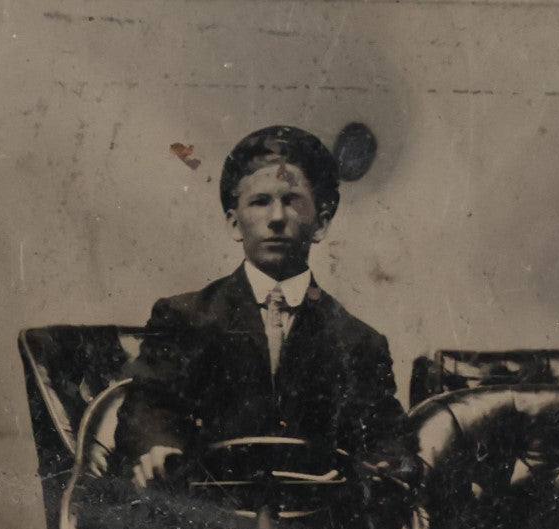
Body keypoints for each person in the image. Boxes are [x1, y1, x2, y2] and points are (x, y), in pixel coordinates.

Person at [114, 124, 406, 485]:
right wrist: (160, 448)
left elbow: (384, 436)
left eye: (292, 201)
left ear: (321, 223)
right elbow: (146, 408)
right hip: (211, 507)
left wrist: (384, 464)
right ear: (234, 223)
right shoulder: (184, 318)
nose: (277, 218)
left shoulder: (359, 341)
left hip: (314, 512)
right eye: (260, 201)